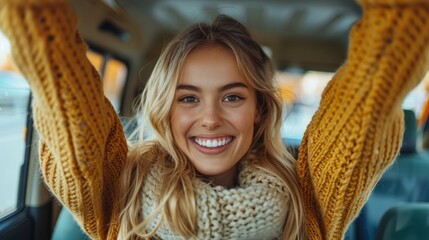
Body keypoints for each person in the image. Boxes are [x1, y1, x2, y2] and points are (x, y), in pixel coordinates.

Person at [0, 0, 428, 239]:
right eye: (188, 98)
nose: (210, 118)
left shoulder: (308, 202)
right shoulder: (121, 191)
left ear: (259, 111)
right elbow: (69, 111)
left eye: (233, 97)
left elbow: (366, 109)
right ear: (166, 108)